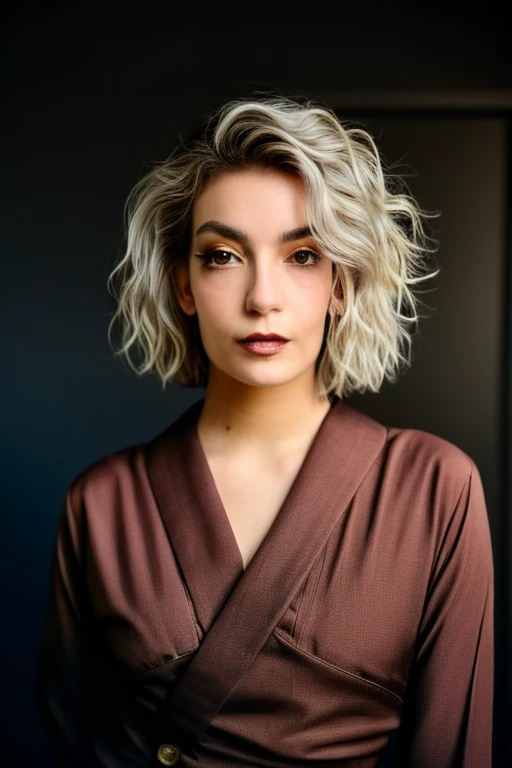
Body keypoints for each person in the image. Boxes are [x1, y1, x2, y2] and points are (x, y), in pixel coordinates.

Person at [35, 93, 494, 768]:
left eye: (303, 255)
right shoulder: (101, 504)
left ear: (342, 283)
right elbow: (66, 740)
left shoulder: (433, 489)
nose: (262, 298)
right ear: (183, 283)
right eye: (224, 255)